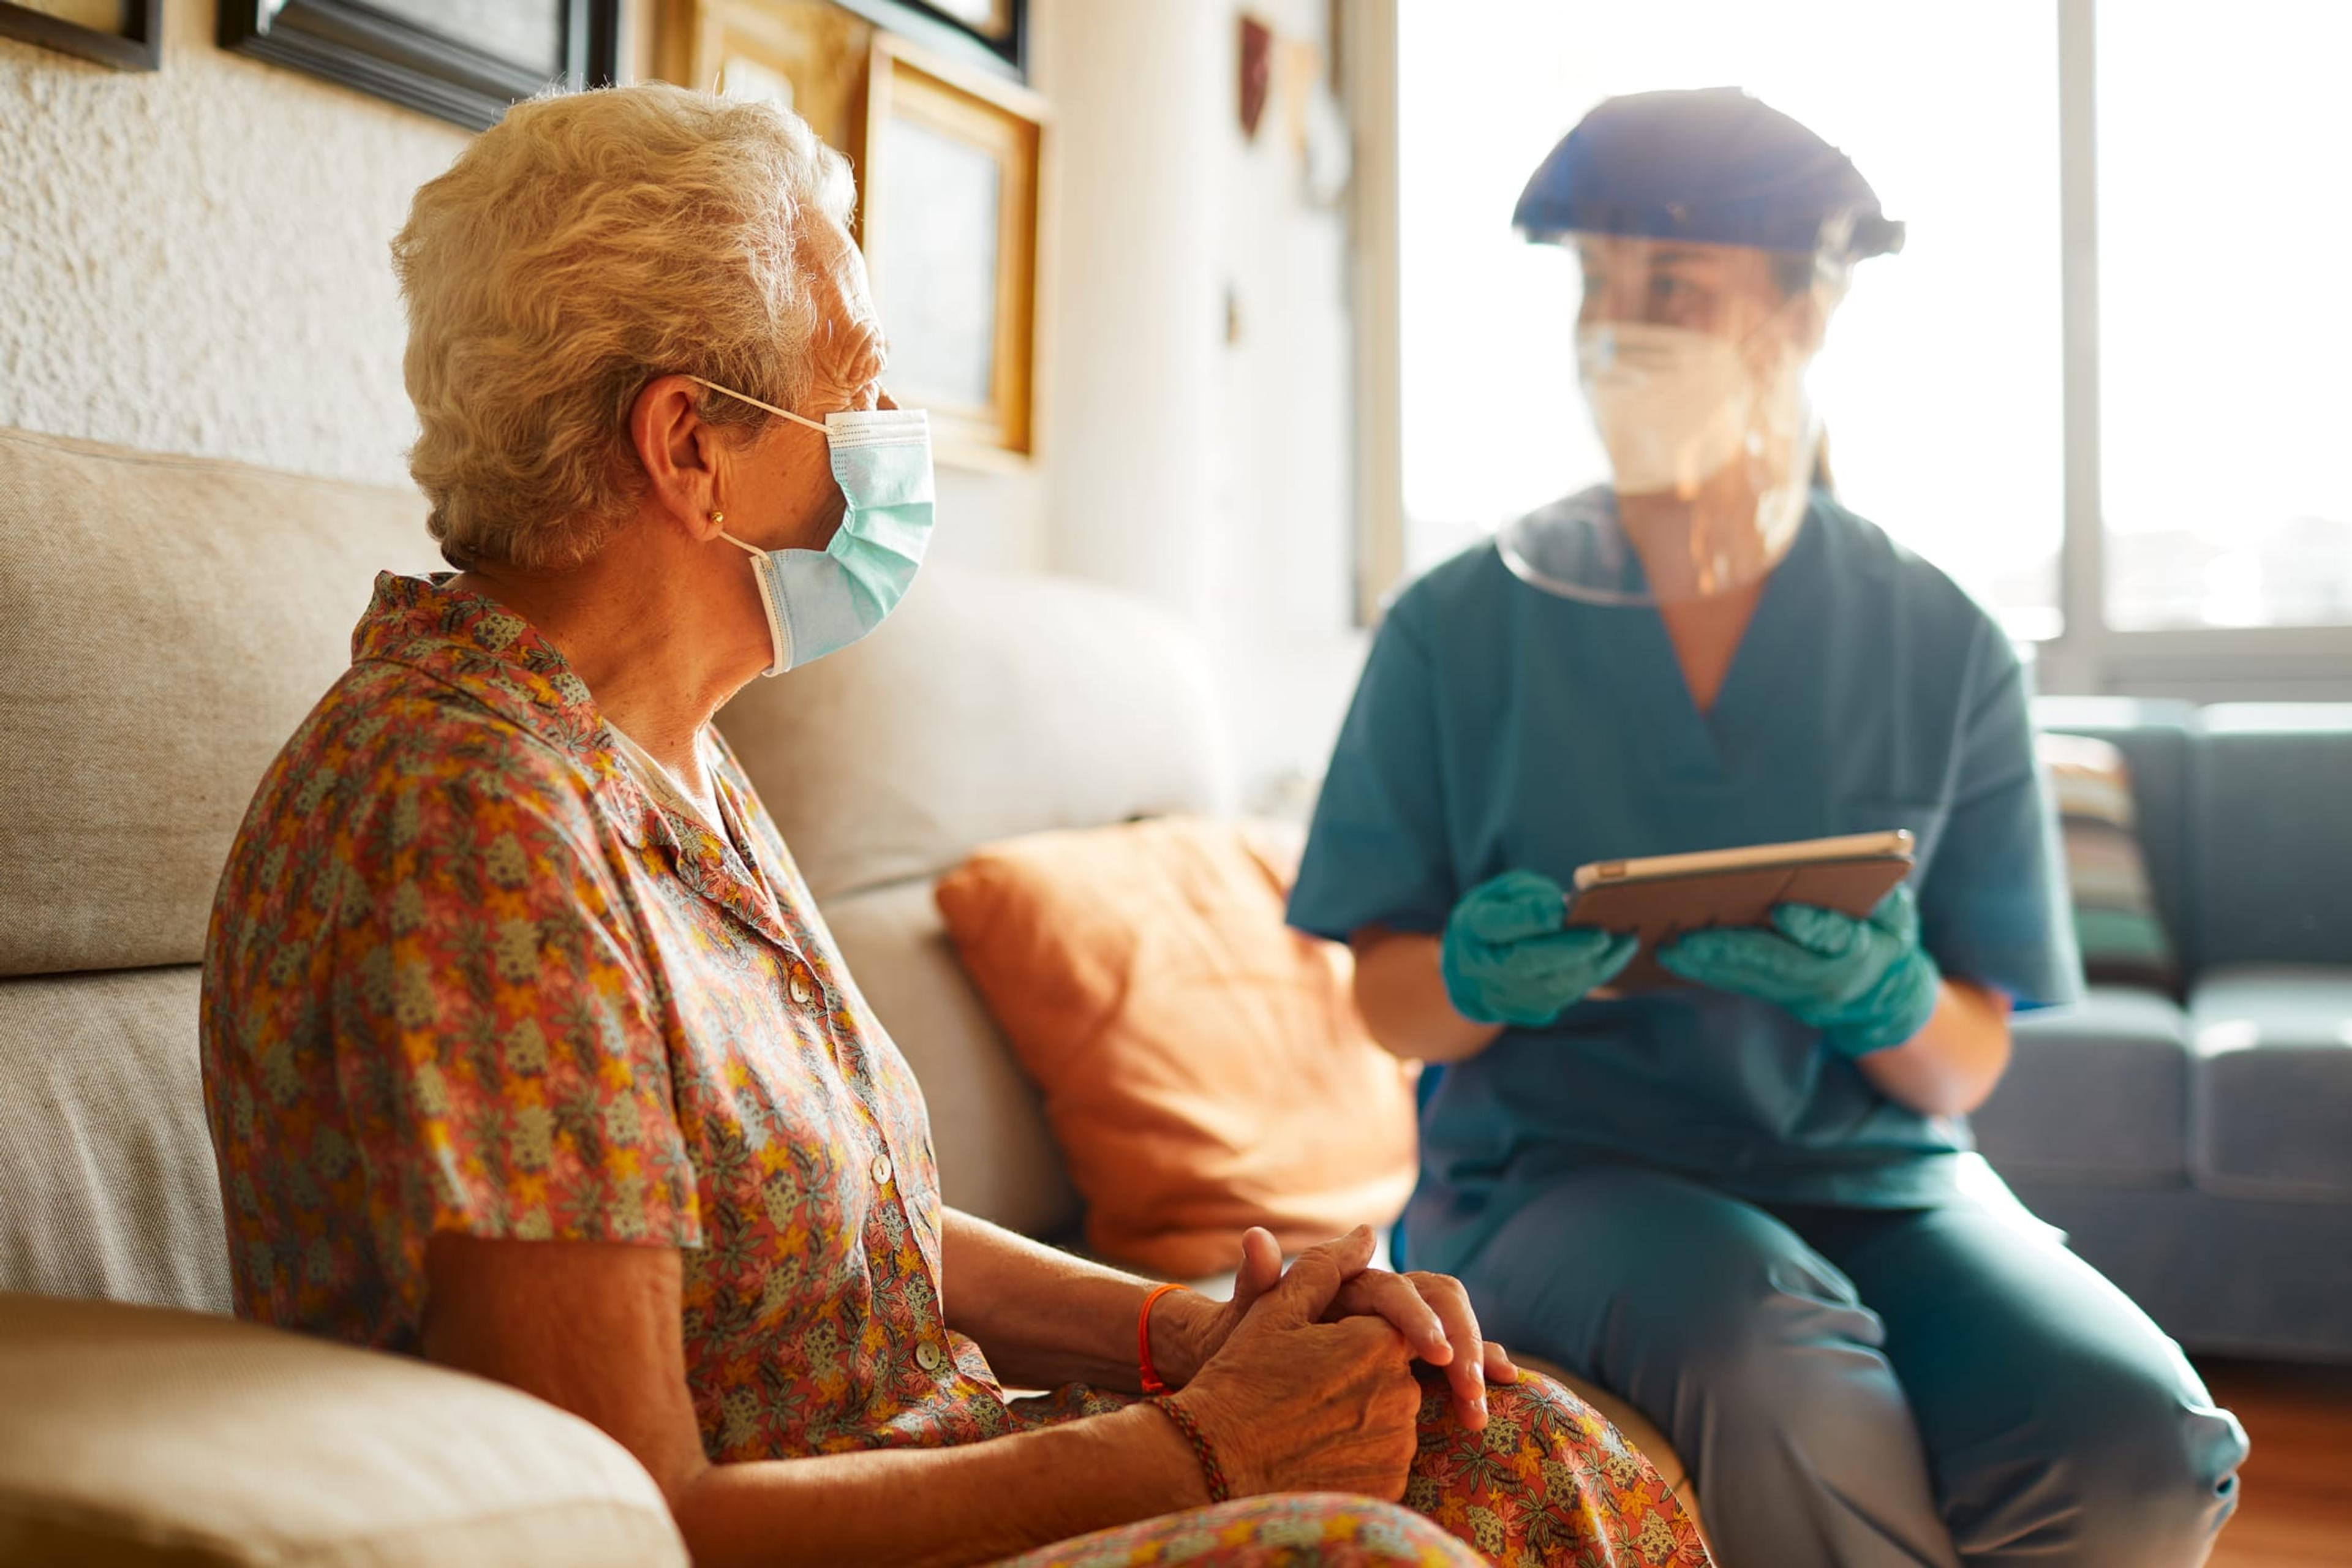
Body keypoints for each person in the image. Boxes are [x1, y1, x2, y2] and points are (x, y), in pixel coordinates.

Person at [198, 83, 1709, 1568]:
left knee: (1526, 1443)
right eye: (854, 387)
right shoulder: (470, 817)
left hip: (940, 1454)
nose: (890, 436)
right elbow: (635, 1517)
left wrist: (1193, 1333)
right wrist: (1203, 1445)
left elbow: (855, 1225)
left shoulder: (664, 755)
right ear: (687, 447)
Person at [1287, 88, 2248, 1568]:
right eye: (1597, 286)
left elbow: (1968, 1051)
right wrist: (1471, 979)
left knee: (2142, 1440)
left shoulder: (1947, 641)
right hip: (1556, 1176)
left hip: (1882, 1179)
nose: (1620, 329)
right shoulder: (1456, 627)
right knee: (1774, 1365)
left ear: (1803, 315)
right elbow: (1388, 998)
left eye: (1670, 287)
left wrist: (1881, 994)